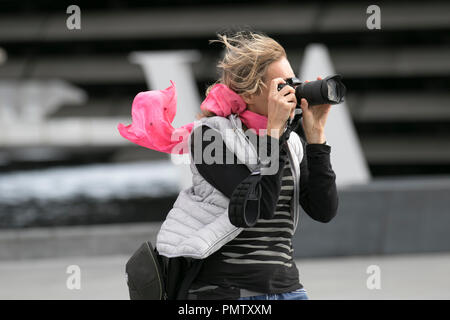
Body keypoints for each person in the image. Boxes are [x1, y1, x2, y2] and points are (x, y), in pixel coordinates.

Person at [118, 31, 338, 300]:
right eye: (282, 84)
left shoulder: (289, 142)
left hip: (288, 289)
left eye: (293, 81)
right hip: (225, 292)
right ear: (249, 93)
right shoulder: (208, 137)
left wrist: (316, 139)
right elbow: (258, 206)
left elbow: (324, 209)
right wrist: (274, 135)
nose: (292, 91)